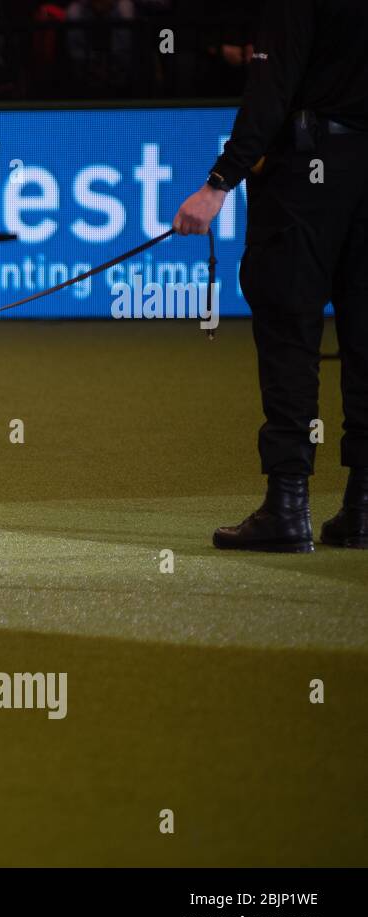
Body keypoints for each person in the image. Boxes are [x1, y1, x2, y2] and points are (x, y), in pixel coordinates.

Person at [173, 0, 368, 552]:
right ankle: (362, 508)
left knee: (290, 332)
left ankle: (287, 507)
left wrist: (218, 183)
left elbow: (270, 87)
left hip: (308, 178)